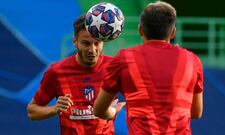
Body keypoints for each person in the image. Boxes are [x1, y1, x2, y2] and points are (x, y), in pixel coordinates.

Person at [93, 1, 204, 135]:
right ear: (173, 32)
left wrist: (113, 111)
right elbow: (196, 112)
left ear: (140, 30)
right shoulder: (192, 60)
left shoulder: (124, 59)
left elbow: (99, 110)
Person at [27, 15, 125, 135]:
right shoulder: (56, 71)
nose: (92, 50)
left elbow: (139, 98)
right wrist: (54, 109)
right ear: (75, 42)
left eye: (96, 43)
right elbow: (32, 111)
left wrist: (119, 108)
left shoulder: (114, 68)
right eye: (86, 43)